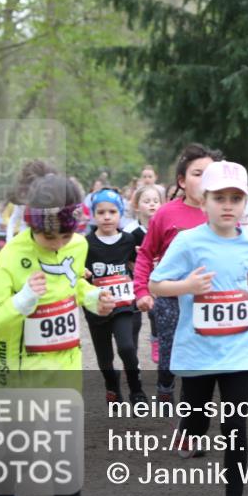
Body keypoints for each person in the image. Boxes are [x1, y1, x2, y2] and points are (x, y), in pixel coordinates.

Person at [0, 172, 113, 496]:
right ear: (32, 222)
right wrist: (21, 302)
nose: (56, 244)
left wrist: (96, 299)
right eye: (47, 236)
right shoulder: (11, 257)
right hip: (15, 378)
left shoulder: (78, 245)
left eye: (64, 236)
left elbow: (73, 285)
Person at [150, 160, 248, 496]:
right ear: (204, 201)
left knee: (236, 425)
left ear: (244, 204)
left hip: (238, 348)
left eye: (235, 198)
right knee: (197, 419)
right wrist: (186, 287)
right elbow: (157, 284)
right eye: (219, 197)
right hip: (197, 351)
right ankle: (187, 427)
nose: (227, 205)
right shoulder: (188, 242)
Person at [134, 144, 220, 402]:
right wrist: (141, 291)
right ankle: (165, 387)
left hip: (208, 298)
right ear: (182, 181)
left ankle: (193, 401)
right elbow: (146, 254)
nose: (205, 179)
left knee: (203, 351)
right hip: (171, 297)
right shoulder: (166, 212)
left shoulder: (224, 213)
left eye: (211, 173)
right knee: (170, 350)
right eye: (197, 173)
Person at [85, 187, 146, 405]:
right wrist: (83, 275)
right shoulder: (85, 244)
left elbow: (138, 263)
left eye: (112, 211)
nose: (107, 217)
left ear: (120, 213)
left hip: (123, 305)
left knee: (127, 347)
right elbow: (78, 276)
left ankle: (136, 390)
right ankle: (112, 387)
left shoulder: (129, 240)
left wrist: (138, 267)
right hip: (96, 307)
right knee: (105, 359)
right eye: (101, 212)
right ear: (94, 214)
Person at [125, 183, 164, 363]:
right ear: (136, 205)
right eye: (147, 201)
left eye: (156, 201)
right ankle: (131, 358)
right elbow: (124, 258)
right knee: (134, 322)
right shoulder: (129, 232)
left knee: (156, 313)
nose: (152, 204)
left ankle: (156, 342)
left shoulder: (165, 228)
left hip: (159, 281)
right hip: (135, 281)